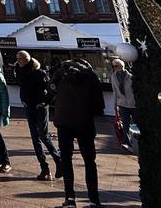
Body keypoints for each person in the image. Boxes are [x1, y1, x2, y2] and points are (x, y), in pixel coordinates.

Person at [53, 58, 106, 208]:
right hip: (84, 123)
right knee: (89, 161)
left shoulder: (61, 73)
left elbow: (51, 90)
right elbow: (99, 106)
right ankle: (94, 200)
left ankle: (70, 198)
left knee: (66, 160)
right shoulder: (91, 76)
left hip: (64, 122)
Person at [15, 50, 62, 181]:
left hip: (39, 107)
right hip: (28, 107)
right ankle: (44, 168)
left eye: (20, 59)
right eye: (17, 59)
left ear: (26, 59)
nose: (18, 61)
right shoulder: (19, 71)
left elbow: (48, 90)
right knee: (35, 139)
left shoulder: (39, 73)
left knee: (43, 136)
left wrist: (43, 103)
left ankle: (58, 161)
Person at [110, 58, 136, 151]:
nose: (115, 68)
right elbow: (115, 91)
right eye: (113, 66)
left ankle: (139, 142)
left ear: (121, 66)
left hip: (133, 104)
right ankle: (128, 143)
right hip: (122, 104)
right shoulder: (113, 76)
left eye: (116, 65)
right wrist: (115, 105)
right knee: (125, 124)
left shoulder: (130, 77)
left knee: (136, 124)